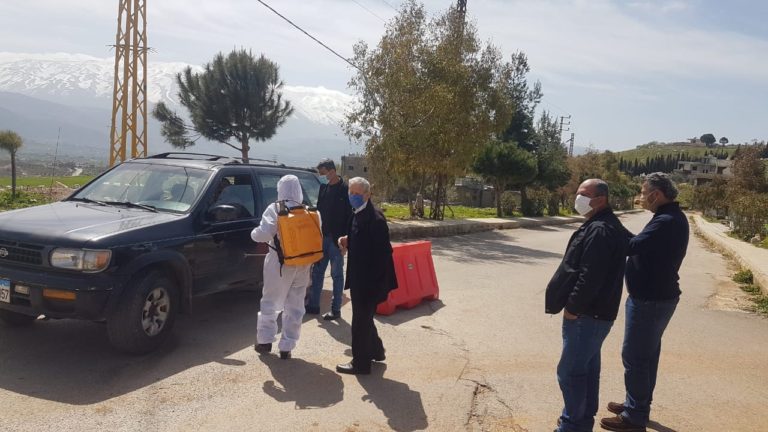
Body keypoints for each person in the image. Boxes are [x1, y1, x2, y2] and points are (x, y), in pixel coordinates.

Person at [600, 173, 689, 432]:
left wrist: (609, 219)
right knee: (646, 357)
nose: (641, 196)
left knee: (636, 357)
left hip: (650, 301)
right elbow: (639, 244)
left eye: (643, 192)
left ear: (656, 194)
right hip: (656, 298)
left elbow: (630, 246)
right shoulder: (668, 218)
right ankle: (637, 405)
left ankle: (634, 417)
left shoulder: (666, 221)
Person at [546, 179, 630, 432]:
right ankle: (580, 421)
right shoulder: (603, 224)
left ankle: (572, 425)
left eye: (584, 194)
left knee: (570, 372)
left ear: (600, 199)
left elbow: (590, 275)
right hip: (596, 313)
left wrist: (573, 307)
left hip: (587, 314)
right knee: (587, 369)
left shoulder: (600, 229)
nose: (578, 198)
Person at [250, 175, 321, 360]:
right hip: (304, 264)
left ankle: (265, 341)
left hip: (279, 264)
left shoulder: (274, 209)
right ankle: (287, 347)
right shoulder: (311, 211)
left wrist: (253, 233)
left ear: (280, 190)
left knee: (270, 302)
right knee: (295, 305)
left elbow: (263, 234)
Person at [335, 177, 396, 375]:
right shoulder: (357, 213)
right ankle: (377, 351)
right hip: (358, 277)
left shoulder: (375, 219)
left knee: (360, 322)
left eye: (357, 193)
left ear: (367, 195)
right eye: (350, 193)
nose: (352, 196)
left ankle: (361, 364)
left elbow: (383, 254)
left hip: (369, 281)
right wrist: (348, 240)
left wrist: (373, 286)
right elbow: (361, 238)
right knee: (365, 318)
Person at [306, 159, 353, 320]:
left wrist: (345, 243)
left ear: (332, 171)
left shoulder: (345, 189)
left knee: (336, 275)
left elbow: (349, 217)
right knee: (317, 272)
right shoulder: (323, 188)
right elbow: (319, 212)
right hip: (322, 238)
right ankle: (313, 305)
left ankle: (335, 309)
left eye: (323, 173)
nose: (321, 176)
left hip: (337, 240)